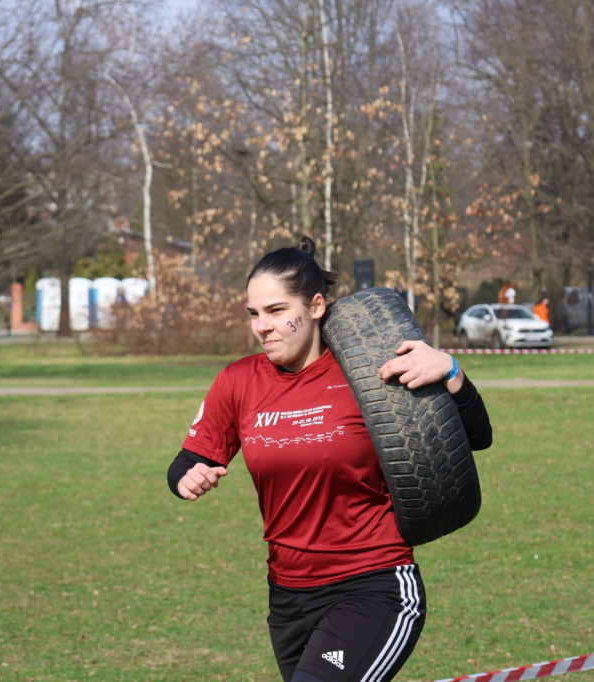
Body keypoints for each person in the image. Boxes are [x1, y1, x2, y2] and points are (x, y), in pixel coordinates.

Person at [168, 237, 493, 682]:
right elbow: (189, 459)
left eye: (277, 311)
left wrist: (451, 372)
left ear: (316, 306)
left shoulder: (374, 372)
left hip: (373, 586)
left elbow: (475, 437)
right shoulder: (238, 381)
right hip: (288, 598)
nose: (263, 326)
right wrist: (188, 477)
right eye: (254, 313)